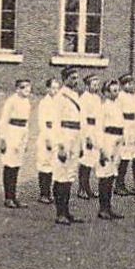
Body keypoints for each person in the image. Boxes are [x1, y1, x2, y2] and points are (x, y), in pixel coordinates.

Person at [51, 72, 84, 224]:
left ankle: (66, 210)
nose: (75, 80)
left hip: (75, 136)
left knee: (70, 174)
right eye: (72, 78)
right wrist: (61, 146)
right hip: (64, 137)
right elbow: (56, 123)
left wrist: (81, 142)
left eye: (76, 78)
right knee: (61, 174)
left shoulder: (76, 95)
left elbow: (81, 121)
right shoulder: (60, 97)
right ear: (64, 80)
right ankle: (60, 213)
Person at [0, 79, 33, 210]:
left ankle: (14, 196)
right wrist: (3, 139)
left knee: (16, 166)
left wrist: (26, 140)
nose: (27, 90)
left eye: (29, 88)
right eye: (24, 88)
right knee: (10, 165)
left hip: (22, 133)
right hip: (12, 133)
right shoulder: (11, 101)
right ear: (17, 89)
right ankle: (8, 197)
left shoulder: (27, 102)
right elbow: (3, 120)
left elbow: (27, 122)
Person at [94, 80, 125, 220]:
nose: (116, 93)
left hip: (117, 140)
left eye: (117, 90)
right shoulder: (103, 107)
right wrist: (101, 149)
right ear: (106, 92)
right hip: (107, 140)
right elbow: (98, 129)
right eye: (113, 91)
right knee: (105, 174)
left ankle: (109, 206)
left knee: (112, 173)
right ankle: (103, 208)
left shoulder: (117, 106)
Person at [33, 77, 59, 205]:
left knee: (52, 164)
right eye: (53, 88)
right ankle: (43, 193)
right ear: (47, 89)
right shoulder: (44, 103)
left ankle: (49, 192)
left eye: (57, 88)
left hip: (56, 134)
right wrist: (47, 139)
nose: (55, 90)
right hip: (46, 135)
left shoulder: (58, 103)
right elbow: (43, 123)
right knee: (45, 164)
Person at [116, 73, 135, 193]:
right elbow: (118, 115)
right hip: (126, 128)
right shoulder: (120, 97)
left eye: (131, 83)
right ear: (122, 85)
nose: (130, 86)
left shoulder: (134, 97)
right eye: (127, 83)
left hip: (134, 128)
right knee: (125, 157)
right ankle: (119, 184)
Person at [78, 75, 103, 199]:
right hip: (87, 129)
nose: (96, 87)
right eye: (93, 85)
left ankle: (87, 188)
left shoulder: (97, 98)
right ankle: (82, 188)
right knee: (85, 160)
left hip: (96, 129)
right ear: (87, 86)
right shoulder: (84, 98)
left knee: (93, 158)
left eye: (97, 85)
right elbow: (82, 119)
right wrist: (86, 136)